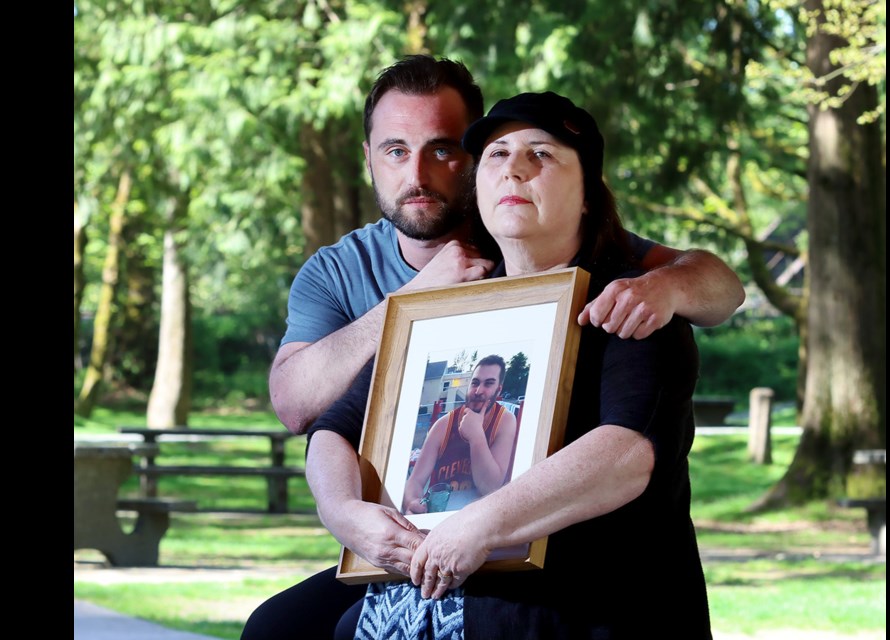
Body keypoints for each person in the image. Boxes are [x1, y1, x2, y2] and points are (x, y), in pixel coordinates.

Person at [243, 56, 735, 639]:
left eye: (542, 155)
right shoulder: (444, 297)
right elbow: (332, 423)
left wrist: (477, 526)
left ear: (586, 195)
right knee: (282, 629)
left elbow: (628, 454)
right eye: (497, 156)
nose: (515, 172)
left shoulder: (627, 297)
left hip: (578, 584)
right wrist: (345, 514)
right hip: (440, 563)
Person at [267, 54, 746, 438]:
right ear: (369, 159)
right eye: (396, 151)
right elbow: (294, 407)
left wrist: (667, 286)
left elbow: (722, 289)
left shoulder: (527, 231)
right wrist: (414, 298)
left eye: (442, 150)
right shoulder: (336, 271)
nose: (416, 175)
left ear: (475, 159)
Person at [402, 355, 517, 515]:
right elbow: (415, 480)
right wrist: (413, 501)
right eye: (475, 383)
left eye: (488, 384)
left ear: (499, 390)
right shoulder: (444, 425)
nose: (478, 391)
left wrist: (476, 436)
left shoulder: (505, 421)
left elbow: (490, 487)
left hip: (481, 519)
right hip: (440, 516)